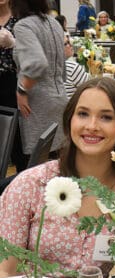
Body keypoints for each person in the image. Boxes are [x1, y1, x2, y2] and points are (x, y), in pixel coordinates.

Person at [0, 77, 115, 278]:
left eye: (106, 117)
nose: (92, 126)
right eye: (82, 114)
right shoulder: (31, 185)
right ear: (69, 120)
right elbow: (5, 271)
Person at [10, 0, 67, 165]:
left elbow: (37, 63)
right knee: (56, 164)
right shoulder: (54, 23)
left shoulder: (23, 26)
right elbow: (62, 68)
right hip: (59, 97)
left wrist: (22, 90)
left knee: (36, 165)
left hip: (37, 102)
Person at [0, 0, 27, 172]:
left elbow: (29, 52)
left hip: (12, 80)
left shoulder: (20, 19)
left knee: (16, 137)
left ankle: (22, 185)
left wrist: (13, 43)